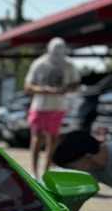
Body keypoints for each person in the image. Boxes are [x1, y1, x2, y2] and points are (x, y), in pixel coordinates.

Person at [23, 37, 80, 177]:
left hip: (58, 108)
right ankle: (34, 172)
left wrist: (66, 88)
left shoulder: (69, 64)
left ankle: (46, 171)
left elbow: (76, 83)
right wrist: (43, 90)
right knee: (36, 139)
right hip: (39, 107)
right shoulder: (39, 63)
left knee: (53, 140)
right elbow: (27, 86)